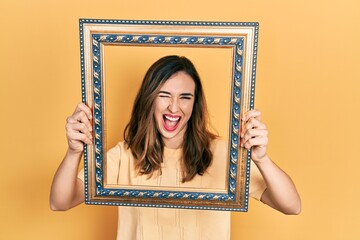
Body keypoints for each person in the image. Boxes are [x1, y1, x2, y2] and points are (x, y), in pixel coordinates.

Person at [50, 55, 301, 240]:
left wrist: (262, 159)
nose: (173, 108)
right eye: (164, 95)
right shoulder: (124, 156)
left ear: (195, 104)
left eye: (185, 97)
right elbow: (60, 201)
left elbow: (291, 206)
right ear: (149, 99)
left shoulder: (224, 155)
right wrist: (74, 152)